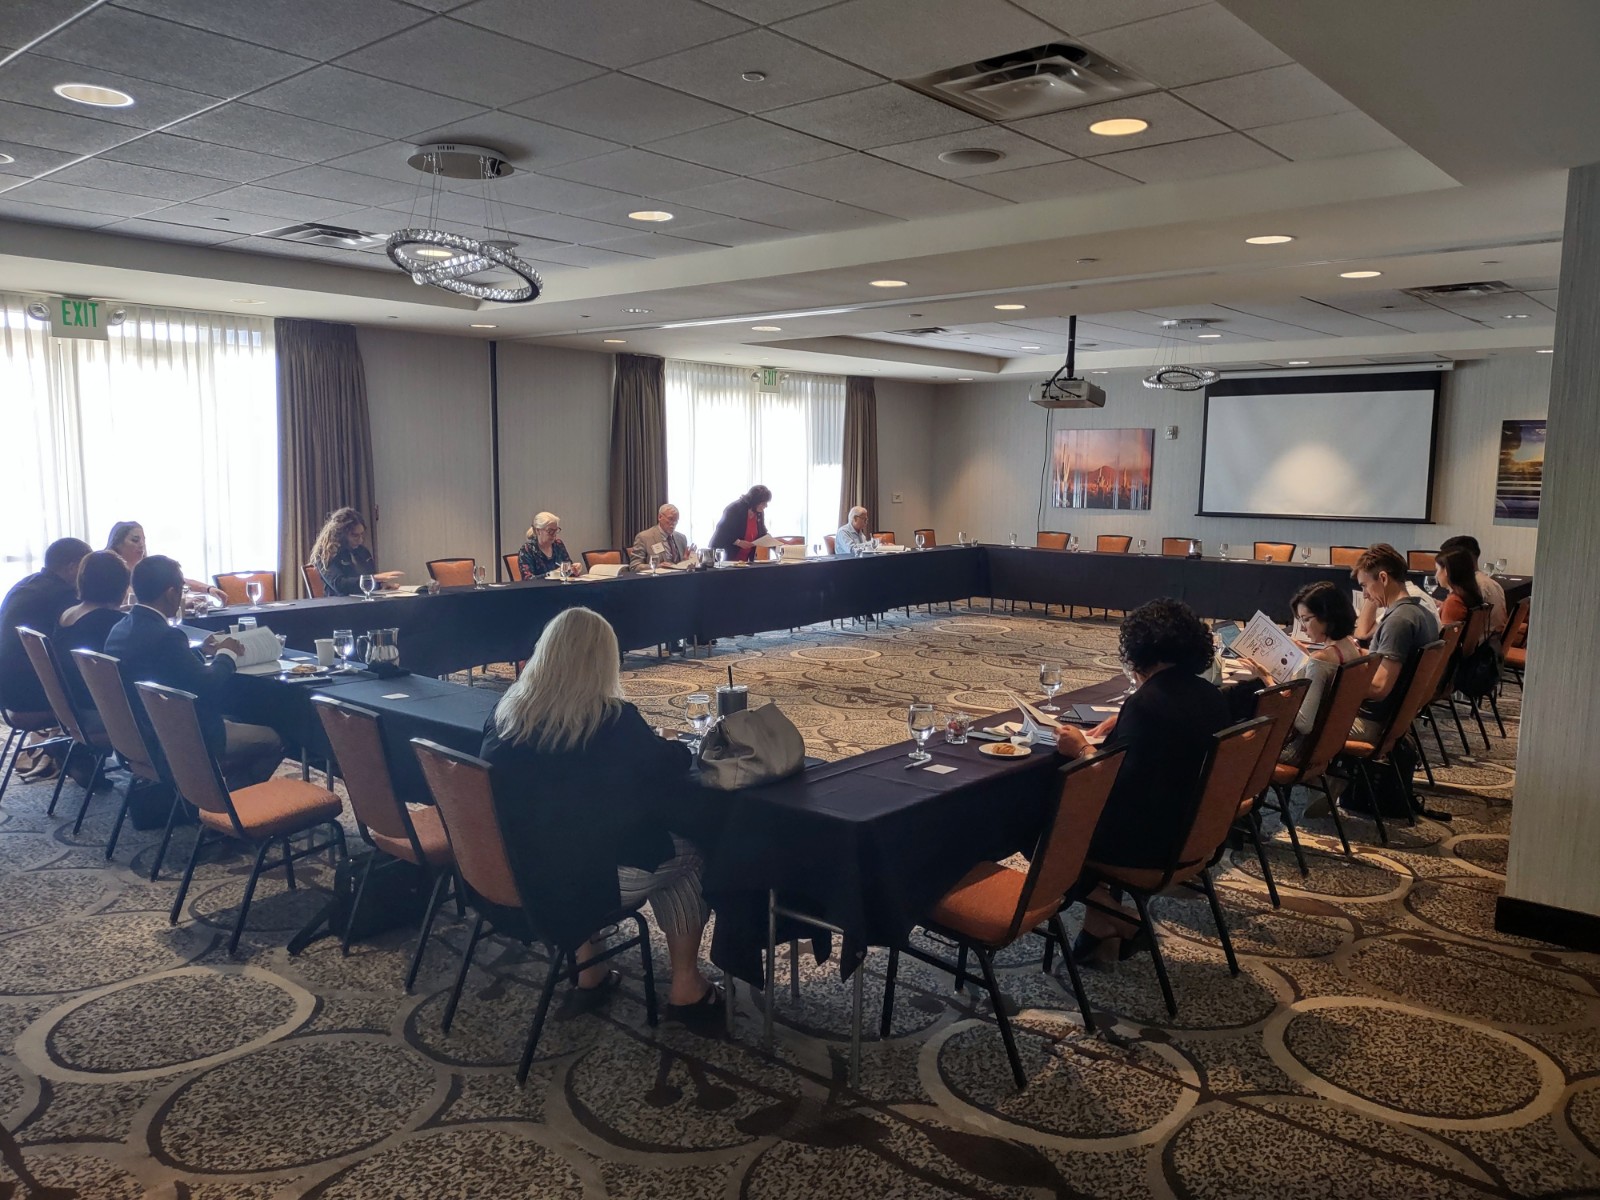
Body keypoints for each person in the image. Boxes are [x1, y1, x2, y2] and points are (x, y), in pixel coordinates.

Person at [480, 607, 718, 1019]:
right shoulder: (610, 720)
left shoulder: (505, 714)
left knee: (571, 837)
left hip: (513, 869)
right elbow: (664, 767)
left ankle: (589, 973)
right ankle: (687, 987)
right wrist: (674, 744)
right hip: (581, 881)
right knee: (689, 854)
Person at [1056, 598, 1230, 962]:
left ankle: (1127, 920)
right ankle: (1098, 927)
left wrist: (1081, 750)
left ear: (1139, 648)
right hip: (1194, 829)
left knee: (1039, 825)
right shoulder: (1209, 694)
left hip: (1149, 843)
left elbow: (1115, 785)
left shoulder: (1147, 703)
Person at [104, 555, 284, 788]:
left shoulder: (120, 629)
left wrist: (199, 649)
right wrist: (226, 654)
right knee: (273, 739)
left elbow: (164, 666)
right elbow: (207, 686)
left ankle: (211, 796)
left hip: (140, 733)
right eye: (182, 590)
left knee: (237, 720)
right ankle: (228, 810)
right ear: (171, 593)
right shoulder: (166, 636)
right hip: (181, 735)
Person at [0, 538, 92, 781]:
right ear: (73, 567)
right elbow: (79, 642)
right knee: (103, 690)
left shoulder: (25, 585)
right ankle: (80, 755)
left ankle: (78, 756)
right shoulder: (62, 595)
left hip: (8, 692)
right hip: (30, 697)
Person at [1350, 543, 1439, 743]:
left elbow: (1380, 688)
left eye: (1364, 585)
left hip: (1371, 722)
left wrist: (1336, 680)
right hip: (1395, 719)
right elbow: (1389, 662)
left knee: (1293, 726)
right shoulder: (1422, 614)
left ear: (1383, 578)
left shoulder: (1398, 622)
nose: (1364, 594)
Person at [1266, 582, 1361, 762]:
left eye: (1306, 619)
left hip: (1300, 749)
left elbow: (1304, 723)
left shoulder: (1321, 660)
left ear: (1327, 616)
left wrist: (1269, 683)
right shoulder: (1350, 645)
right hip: (1328, 742)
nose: (1302, 627)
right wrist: (1307, 658)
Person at [52, 550, 132, 713]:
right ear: (121, 587)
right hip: (98, 707)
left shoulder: (68, 613)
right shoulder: (111, 623)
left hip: (70, 701)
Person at [107, 521, 224, 601]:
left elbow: (177, 580)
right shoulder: (111, 572)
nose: (142, 545)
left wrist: (209, 589)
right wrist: (181, 601)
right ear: (117, 543)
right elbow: (135, 600)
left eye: (143, 540)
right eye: (135, 540)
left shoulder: (147, 568)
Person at [311, 508, 402, 597]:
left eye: (362, 534)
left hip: (364, 603)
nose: (360, 540)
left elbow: (366, 584)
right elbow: (340, 585)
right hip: (339, 606)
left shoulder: (362, 551)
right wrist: (375, 578)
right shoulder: (326, 554)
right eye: (355, 535)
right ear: (340, 534)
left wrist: (381, 585)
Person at [1439, 534, 1506, 634]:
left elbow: (1450, 636)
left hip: (1479, 644)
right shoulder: (1493, 583)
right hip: (1494, 642)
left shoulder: (1473, 585)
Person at [709, 485, 770, 563]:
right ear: (755, 501)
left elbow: (762, 532)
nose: (766, 506)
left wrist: (772, 540)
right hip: (725, 559)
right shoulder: (734, 509)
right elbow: (722, 533)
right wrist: (738, 542)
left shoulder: (759, 512)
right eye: (763, 503)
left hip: (745, 561)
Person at [518, 512, 583, 579]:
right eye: (550, 531)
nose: (554, 534)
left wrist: (574, 569)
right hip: (540, 589)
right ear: (538, 531)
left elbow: (568, 570)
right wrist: (554, 574)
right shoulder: (527, 550)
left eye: (556, 530)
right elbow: (528, 580)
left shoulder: (558, 545)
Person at [1435, 546, 1486, 627]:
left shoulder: (1453, 602)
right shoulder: (1469, 595)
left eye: (1437, 569)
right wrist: (1443, 605)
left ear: (1446, 571)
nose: (1436, 575)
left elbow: (1448, 638)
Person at [629, 503, 689, 568]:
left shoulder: (681, 538)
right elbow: (634, 566)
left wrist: (686, 560)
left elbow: (680, 565)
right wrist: (657, 566)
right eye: (670, 519)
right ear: (660, 517)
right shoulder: (644, 537)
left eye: (676, 520)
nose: (673, 523)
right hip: (658, 577)